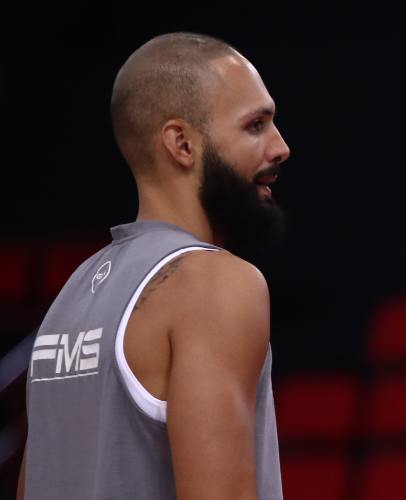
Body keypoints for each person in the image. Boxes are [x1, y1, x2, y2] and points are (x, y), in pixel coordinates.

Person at [18, 32, 290, 499]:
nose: (281, 146)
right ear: (182, 143)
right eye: (255, 126)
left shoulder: (69, 299)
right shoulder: (215, 283)